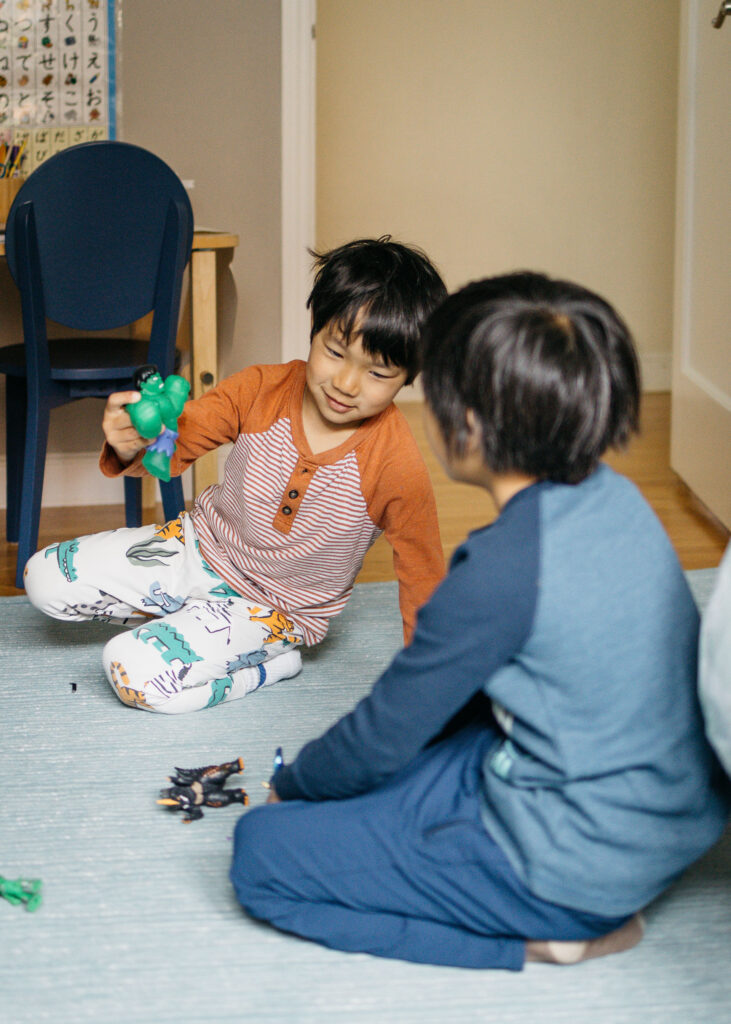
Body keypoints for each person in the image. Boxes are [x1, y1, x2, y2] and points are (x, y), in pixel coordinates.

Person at [230, 272, 730, 970]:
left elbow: (380, 737)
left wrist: (294, 783)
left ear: (464, 424)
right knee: (430, 751)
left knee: (261, 854)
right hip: (670, 813)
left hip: (575, 861)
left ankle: (545, 938)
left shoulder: (500, 570)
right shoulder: (616, 496)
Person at [24, 238, 447, 714]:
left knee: (131, 670)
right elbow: (179, 441)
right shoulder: (261, 388)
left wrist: (425, 685)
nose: (346, 384)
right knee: (42, 576)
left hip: (272, 609)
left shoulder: (396, 462)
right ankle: (186, 617)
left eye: (378, 373)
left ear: (409, 377)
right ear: (314, 327)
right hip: (195, 547)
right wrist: (133, 443)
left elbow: (423, 573)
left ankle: (266, 666)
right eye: (335, 351)